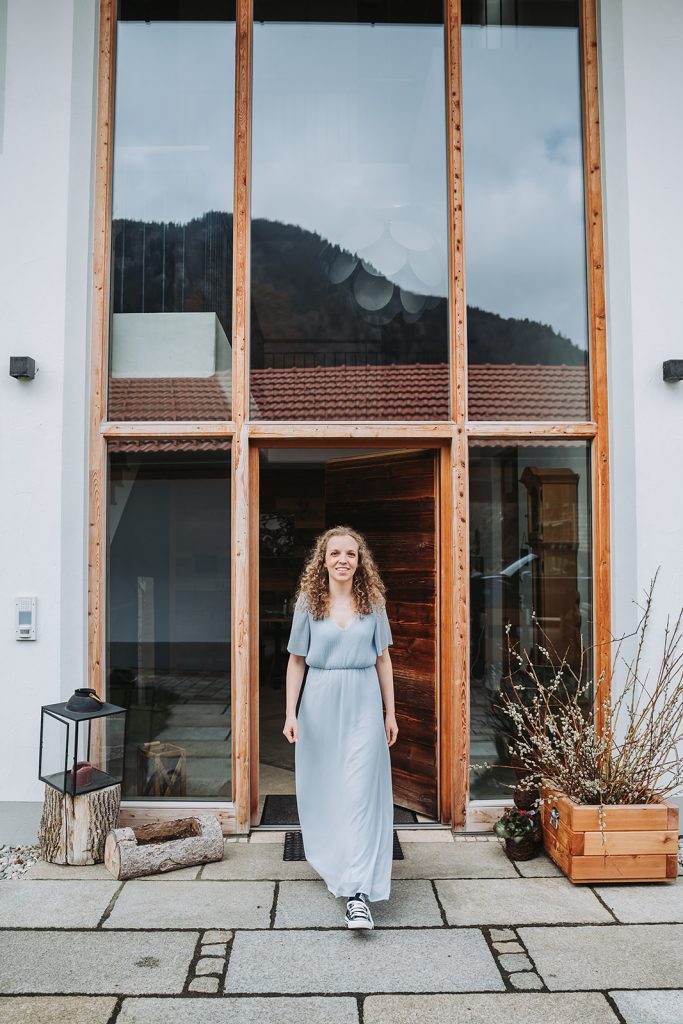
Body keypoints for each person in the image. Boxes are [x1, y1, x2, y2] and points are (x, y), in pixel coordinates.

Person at [283, 525, 398, 930]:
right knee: (329, 789)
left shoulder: (374, 603)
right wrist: (290, 713)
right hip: (320, 703)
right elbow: (296, 661)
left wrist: (390, 713)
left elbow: (383, 661)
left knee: (361, 791)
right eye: (335, 553)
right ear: (323, 560)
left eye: (351, 553)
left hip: (364, 701)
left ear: (360, 559)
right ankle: (337, 861)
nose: (343, 560)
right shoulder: (308, 603)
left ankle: (359, 893)